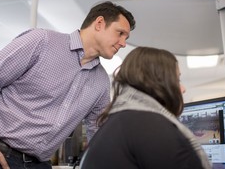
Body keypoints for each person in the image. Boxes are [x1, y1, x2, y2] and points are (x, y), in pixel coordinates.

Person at [0, 1, 136, 169]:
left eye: (126, 38)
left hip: (40, 164)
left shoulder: (101, 81)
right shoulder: (42, 41)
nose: (123, 43)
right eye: (120, 33)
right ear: (99, 23)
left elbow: (99, 131)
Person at [79, 47, 212, 169]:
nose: (183, 89)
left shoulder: (119, 120)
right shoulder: (152, 126)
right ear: (160, 83)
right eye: (177, 80)